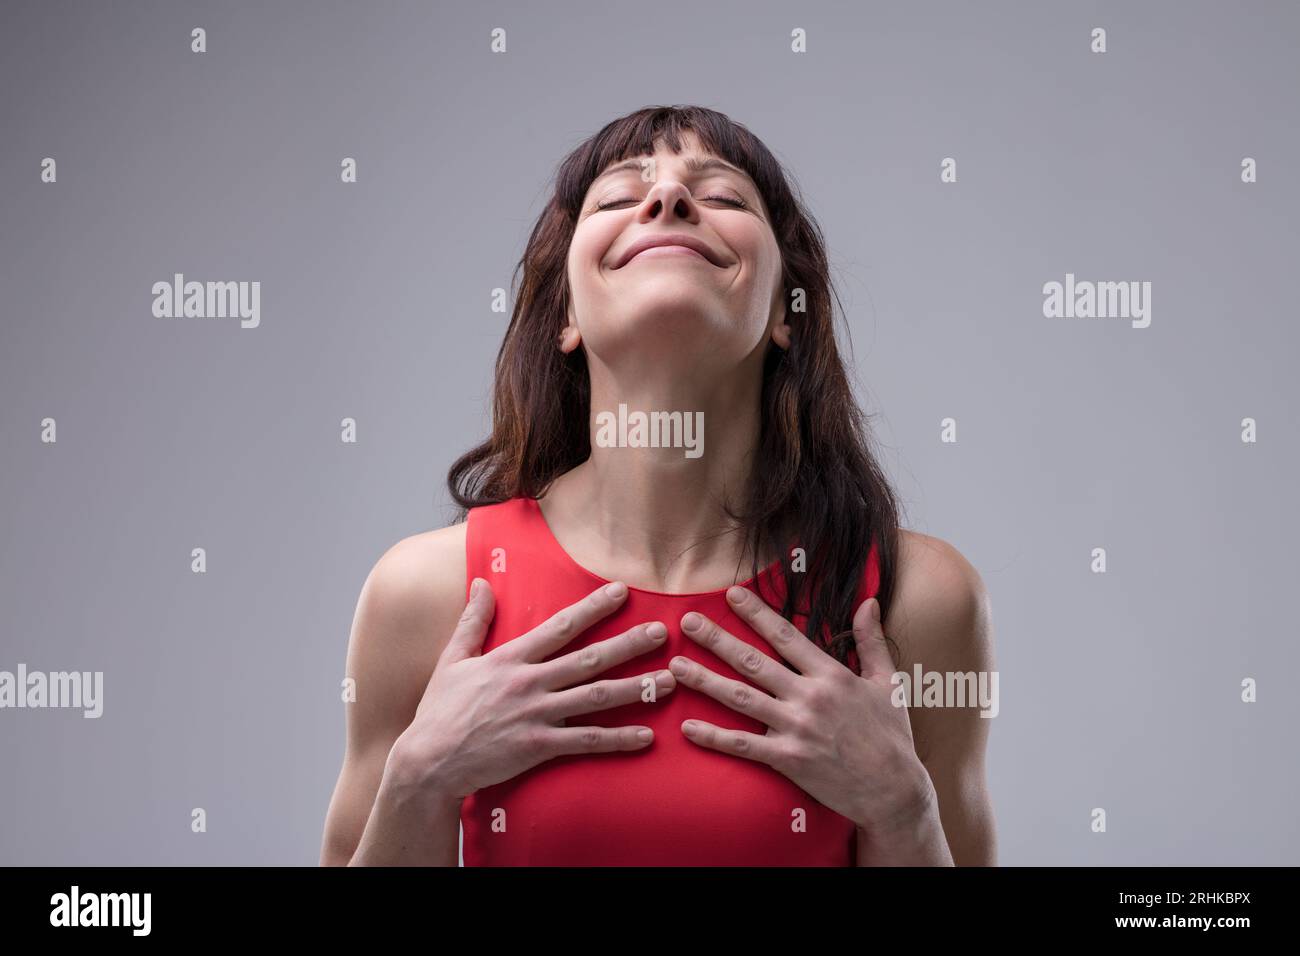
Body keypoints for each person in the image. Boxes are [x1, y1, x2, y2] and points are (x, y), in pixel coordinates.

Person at [320, 105, 996, 866]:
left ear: (785, 311)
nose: (668, 199)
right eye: (617, 197)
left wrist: (903, 811)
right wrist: (419, 779)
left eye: (724, 197)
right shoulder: (422, 595)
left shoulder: (918, 599)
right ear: (566, 314)